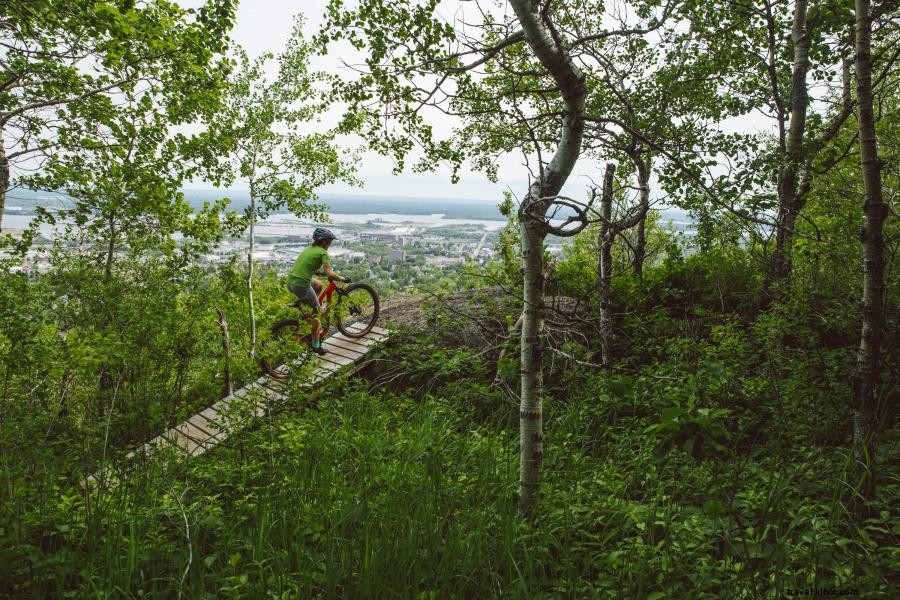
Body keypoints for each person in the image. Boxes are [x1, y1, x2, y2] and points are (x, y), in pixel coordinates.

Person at [286, 227, 349, 355]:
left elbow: (306, 266)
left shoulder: (309, 249)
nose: (330, 245)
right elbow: (329, 273)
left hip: (291, 283)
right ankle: (316, 346)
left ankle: (310, 303)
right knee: (318, 317)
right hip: (301, 285)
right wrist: (342, 278)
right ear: (325, 242)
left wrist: (317, 272)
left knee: (319, 284)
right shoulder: (323, 253)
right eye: (330, 242)